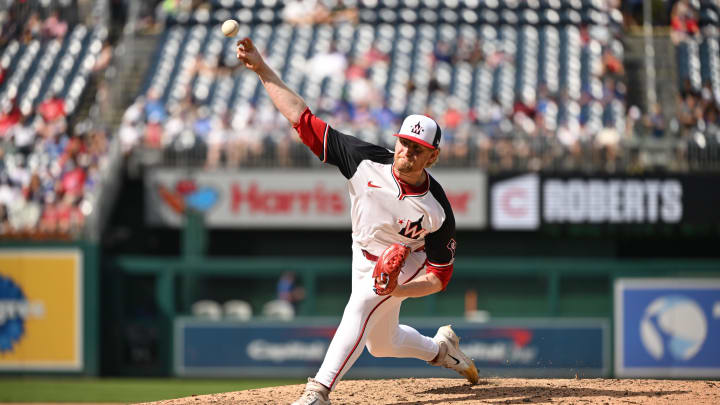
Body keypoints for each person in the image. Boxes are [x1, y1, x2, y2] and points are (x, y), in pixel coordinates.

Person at [236, 37, 478, 405]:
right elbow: (303, 121)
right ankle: (443, 350)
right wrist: (261, 68)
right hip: (362, 252)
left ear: (432, 157)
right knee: (381, 344)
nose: (406, 152)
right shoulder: (364, 160)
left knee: (360, 305)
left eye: (417, 149)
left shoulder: (437, 209)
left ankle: (317, 392)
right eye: (404, 143)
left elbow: (439, 277)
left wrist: (396, 288)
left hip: (405, 260)